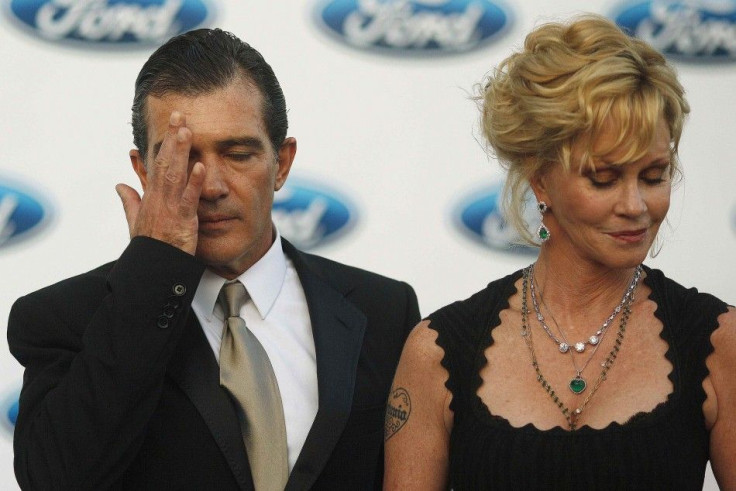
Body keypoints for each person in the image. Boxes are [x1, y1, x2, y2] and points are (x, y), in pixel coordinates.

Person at [8, 28, 420, 490]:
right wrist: (151, 271)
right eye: (181, 159)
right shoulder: (63, 318)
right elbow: (57, 480)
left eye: (239, 154)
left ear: (282, 164)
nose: (211, 186)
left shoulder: (385, 311)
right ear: (143, 171)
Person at [384, 14, 735, 490]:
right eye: (604, 178)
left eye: (654, 176)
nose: (635, 206)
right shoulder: (438, 352)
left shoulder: (718, 343)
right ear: (540, 176)